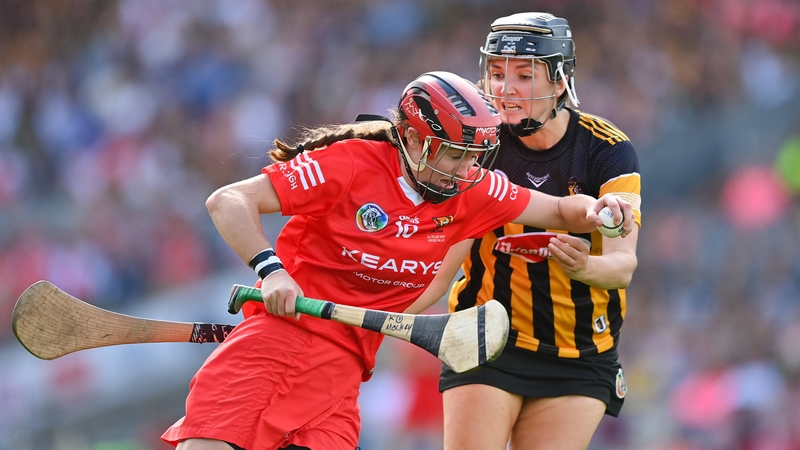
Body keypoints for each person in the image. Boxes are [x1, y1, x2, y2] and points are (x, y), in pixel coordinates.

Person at [160, 70, 633, 450]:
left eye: (473, 156)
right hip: (273, 345)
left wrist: (597, 211)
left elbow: (555, 209)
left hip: (345, 372)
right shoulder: (350, 164)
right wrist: (271, 269)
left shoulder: (472, 191)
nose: (464, 170)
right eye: (451, 154)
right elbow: (228, 201)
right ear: (411, 138)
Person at [426, 13, 642, 450]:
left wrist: (584, 267)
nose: (505, 88)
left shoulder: (608, 150)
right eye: (497, 73)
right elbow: (443, 268)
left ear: (560, 82)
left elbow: (622, 266)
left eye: (523, 76)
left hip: (580, 353)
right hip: (486, 337)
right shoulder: (476, 145)